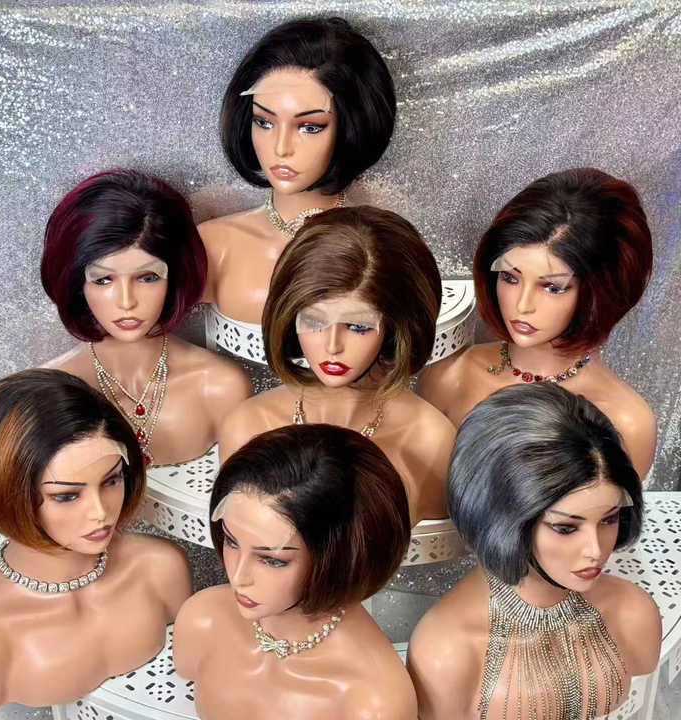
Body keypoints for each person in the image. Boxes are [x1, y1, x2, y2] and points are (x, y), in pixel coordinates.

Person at [408, 383, 661, 720]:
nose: (596, 549)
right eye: (566, 528)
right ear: (502, 517)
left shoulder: (633, 615)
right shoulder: (447, 653)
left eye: (609, 519)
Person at [0, 369, 192, 715]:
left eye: (112, 480)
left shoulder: (160, 568)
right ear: (6, 495)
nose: (101, 513)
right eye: (67, 496)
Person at [219, 205, 456, 525]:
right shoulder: (247, 426)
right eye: (314, 321)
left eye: (358, 326)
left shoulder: (430, 442)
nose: (332, 346)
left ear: (396, 327)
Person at [418, 168, 656, 477]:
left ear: (600, 291)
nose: (522, 305)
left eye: (552, 287)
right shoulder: (450, 377)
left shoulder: (627, 422)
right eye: (510, 277)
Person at [174, 424, 417, 720]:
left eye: (272, 560)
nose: (238, 576)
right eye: (231, 541)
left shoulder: (372, 703)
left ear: (338, 559)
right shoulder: (202, 621)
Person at [42, 169, 250, 466]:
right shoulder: (48, 395)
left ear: (175, 276)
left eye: (148, 277)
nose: (127, 301)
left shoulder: (221, 387)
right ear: (75, 282)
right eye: (103, 280)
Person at [199, 16, 396, 324]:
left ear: (350, 128)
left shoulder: (384, 250)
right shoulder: (213, 244)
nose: (280, 148)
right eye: (264, 122)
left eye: (309, 127)